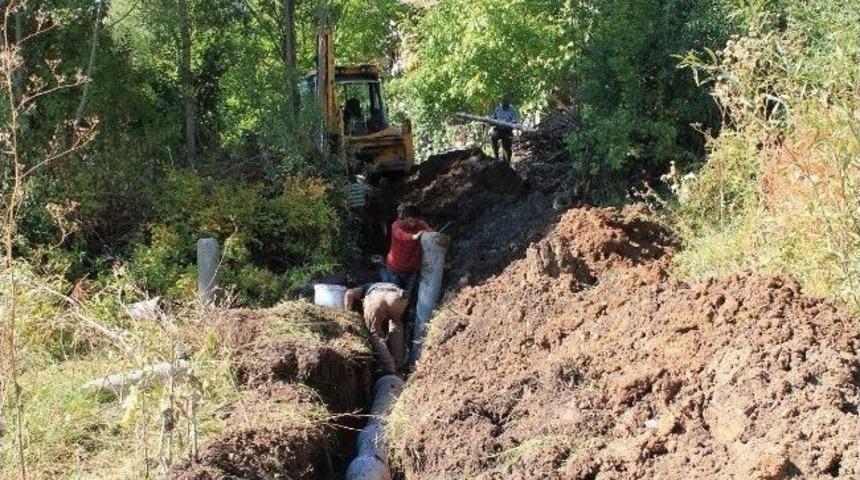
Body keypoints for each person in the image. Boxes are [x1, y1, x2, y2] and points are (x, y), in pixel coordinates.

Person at [345, 282, 409, 374]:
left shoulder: (365, 287)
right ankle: (398, 365)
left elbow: (349, 293)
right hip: (397, 296)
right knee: (396, 326)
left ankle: (390, 368)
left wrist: (348, 316)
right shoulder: (383, 283)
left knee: (375, 334)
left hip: (376, 297)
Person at [381, 204, 433, 297]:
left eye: (416, 221)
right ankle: (381, 271)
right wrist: (414, 236)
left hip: (411, 270)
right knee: (394, 296)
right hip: (394, 269)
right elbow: (401, 235)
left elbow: (432, 235)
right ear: (404, 218)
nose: (413, 224)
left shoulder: (421, 225)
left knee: (407, 296)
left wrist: (435, 236)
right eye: (410, 221)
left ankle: (407, 310)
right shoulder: (396, 226)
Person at [490, 96, 519, 163]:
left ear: (508, 103)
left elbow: (514, 121)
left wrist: (507, 124)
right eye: (502, 101)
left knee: (507, 148)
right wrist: (491, 121)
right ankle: (496, 156)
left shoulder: (512, 110)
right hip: (498, 129)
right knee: (493, 137)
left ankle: (506, 163)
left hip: (507, 131)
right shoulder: (498, 109)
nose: (503, 103)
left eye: (505, 101)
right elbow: (493, 118)